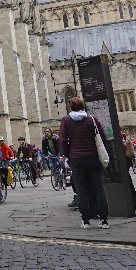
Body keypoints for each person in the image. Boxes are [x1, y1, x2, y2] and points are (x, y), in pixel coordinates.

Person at [58, 97, 109, 230]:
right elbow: (102, 137)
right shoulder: (92, 119)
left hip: (76, 159)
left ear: (70, 108)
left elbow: (63, 140)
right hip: (93, 158)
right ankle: (104, 220)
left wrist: (68, 154)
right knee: (99, 188)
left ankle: (85, 220)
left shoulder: (66, 120)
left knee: (81, 190)